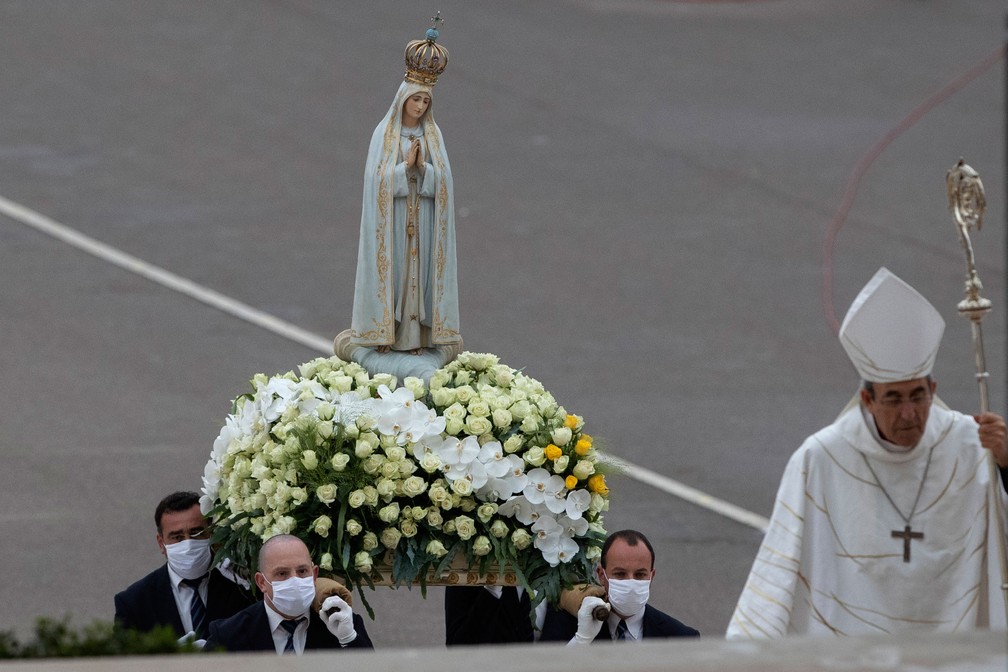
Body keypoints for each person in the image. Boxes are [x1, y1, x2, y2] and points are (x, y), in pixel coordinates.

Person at [727, 267, 1008, 639]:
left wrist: (1006, 463)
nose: (909, 413)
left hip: (953, 639)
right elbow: (779, 569)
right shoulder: (821, 458)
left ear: (933, 387)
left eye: (917, 396)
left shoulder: (973, 444)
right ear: (867, 399)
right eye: (893, 399)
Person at [350, 20, 460, 355]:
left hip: (422, 217)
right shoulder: (385, 136)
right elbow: (375, 183)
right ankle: (386, 333)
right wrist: (403, 169)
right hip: (395, 219)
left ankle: (416, 339)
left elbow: (444, 181)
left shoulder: (432, 136)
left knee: (418, 274)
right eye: (416, 100)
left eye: (425, 102)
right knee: (396, 273)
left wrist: (423, 169)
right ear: (403, 99)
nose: (420, 107)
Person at [114, 491, 253, 638]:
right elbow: (124, 657)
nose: (188, 543)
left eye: (196, 533)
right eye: (177, 537)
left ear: (212, 534)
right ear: (161, 543)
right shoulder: (134, 601)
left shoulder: (240, 584)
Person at [204, 534, 373, 654]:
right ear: (261, 582)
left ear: (314, 574)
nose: (295, 580)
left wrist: (349, 639)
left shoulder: (342, 623)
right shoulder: (228, 635)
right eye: (282, 574)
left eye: (302, 571)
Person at [539, 530, 700, 643]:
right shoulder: (565, 624)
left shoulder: (680, 638)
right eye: (620, 574)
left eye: (640, 575)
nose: (630, 583)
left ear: (652, 576)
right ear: (602, 575)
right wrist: (581, 640)